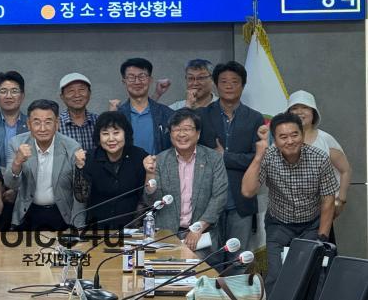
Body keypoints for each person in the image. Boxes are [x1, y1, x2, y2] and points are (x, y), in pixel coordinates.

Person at [241, 113, 338, 294]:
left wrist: (322, 237)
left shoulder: (319, 158)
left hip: (311, 224)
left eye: (294, 135)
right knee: (276, 274)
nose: (290, 141)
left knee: (313, 273)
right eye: (283, 137)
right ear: (275, 139)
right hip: (279, 224)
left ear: (302, 134)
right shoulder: (268, 157)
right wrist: (259, 156)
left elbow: (328, 200)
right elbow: (247, 191)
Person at [196, 61, 263, 271]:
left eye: (235, 81)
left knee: (238, 261)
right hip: (207, 200)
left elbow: (257, 158)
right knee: (208, 261)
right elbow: (197, 155)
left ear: (243, 85)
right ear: (216, 85)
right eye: (224, 81)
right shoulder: (202, 116)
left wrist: (225, 157)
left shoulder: (254, 118)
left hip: (240, 200)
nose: (229, 86)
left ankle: (235, 290)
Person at [143, 108, 228, 257]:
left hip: (201, 236)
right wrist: (150, 174)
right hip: (166, 236)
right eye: (176, 129)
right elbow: (152, 201)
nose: (181, 134)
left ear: (198, 133)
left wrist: (198, 227)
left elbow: (219, 197)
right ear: (170, 134)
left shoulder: (213, 159)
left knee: (195, 267)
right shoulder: (160, 160)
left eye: (187, 129)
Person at [4, 99, 86, 230]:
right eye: (36, 122)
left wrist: (78, 226)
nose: (42, 128)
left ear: (57, 124)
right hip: (28, 212)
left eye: (48, 122)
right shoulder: (16, 143)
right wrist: (17, 162)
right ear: (28, 124)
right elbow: (10, 184)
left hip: (61, 213)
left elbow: (79, 193)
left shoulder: (72, 147)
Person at [286, 90, 352, 241]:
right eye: (294, 108)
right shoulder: (282, 141)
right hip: (288, 217)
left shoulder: (325, 139)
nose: (299, 112)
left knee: (320, 251)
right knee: (291, 254)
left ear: (313, 112)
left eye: (305, 107)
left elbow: (346, 170)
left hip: (321, 213)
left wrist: (340, 200)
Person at [73, 111, 150, 230]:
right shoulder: (90, 158)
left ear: (125, 134)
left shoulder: (139, 156)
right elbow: (82, 198)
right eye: (105, 134)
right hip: (97, 229)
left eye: (116, 133)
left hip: (132, 229)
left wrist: (135, 227)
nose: (111, 139)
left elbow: (145, 199)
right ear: (99, 137)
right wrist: (79, 168)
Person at [0, 71, 29, 230]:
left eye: (14, 91)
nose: (9, 96)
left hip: (25, 188)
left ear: (22, 96)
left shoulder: (31, 124)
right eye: (3, 91)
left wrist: (17, 189)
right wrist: (0, 187)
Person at [115, 57, 174, 155]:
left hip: (159, 164)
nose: (137, 82)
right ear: (124, 81)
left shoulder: (167, 114)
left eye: (142, 76)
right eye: (131, 77)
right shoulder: (117, 116)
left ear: (150, 80)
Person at [58, 72, 99, 151]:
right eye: (71, 91)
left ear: (89, 93)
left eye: (82, 89)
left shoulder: (99, 122)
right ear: (62, 97)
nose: (77, 95)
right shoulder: (56, 125)